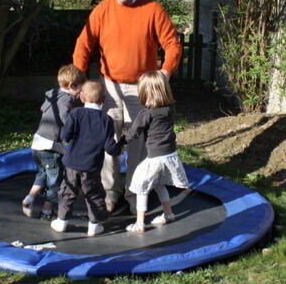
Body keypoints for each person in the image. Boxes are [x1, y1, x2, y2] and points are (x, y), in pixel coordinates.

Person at [72, 0, 182, 213]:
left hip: (141, 89)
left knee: (138, 144)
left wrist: (164, 74)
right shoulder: (103, 10)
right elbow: (83, 44)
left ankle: (135, 194)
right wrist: (79, 79)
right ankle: (110, 193)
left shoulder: (152, 9)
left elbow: (173, 45)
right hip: (109, 87)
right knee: (108, 140)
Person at [50, 80, 123, 236]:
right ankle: (94, 224)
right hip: (91, 167)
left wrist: (67, 138)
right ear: (103, 99)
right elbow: (110, 147)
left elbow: (65, 136)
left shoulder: (76, 114)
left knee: (67, 191)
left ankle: (62, 221)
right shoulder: (106, 120)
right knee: (94, 194)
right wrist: (119, 148)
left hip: (72, 164)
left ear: (82, 97)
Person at [122, 71, 188, 233]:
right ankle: (168, 213)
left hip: (155, 157)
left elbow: (133, 133)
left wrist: (120, 143)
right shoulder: (169, 109)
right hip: (170, 154)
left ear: (146, 92)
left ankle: (139, 223)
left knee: (141, 186)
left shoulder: (146, 113)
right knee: (159, 183)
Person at [22, 64, 86, 220]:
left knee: (42, 174)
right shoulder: (67, 100)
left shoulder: (53, 95)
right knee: (55, 181)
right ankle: (47, 211)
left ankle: (29, 198)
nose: (81, 92)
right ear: (72, 86)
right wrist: (74, 130)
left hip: (37, 143)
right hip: (50, 147)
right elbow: (65, 117)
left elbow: (44, 109)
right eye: (80, 88)